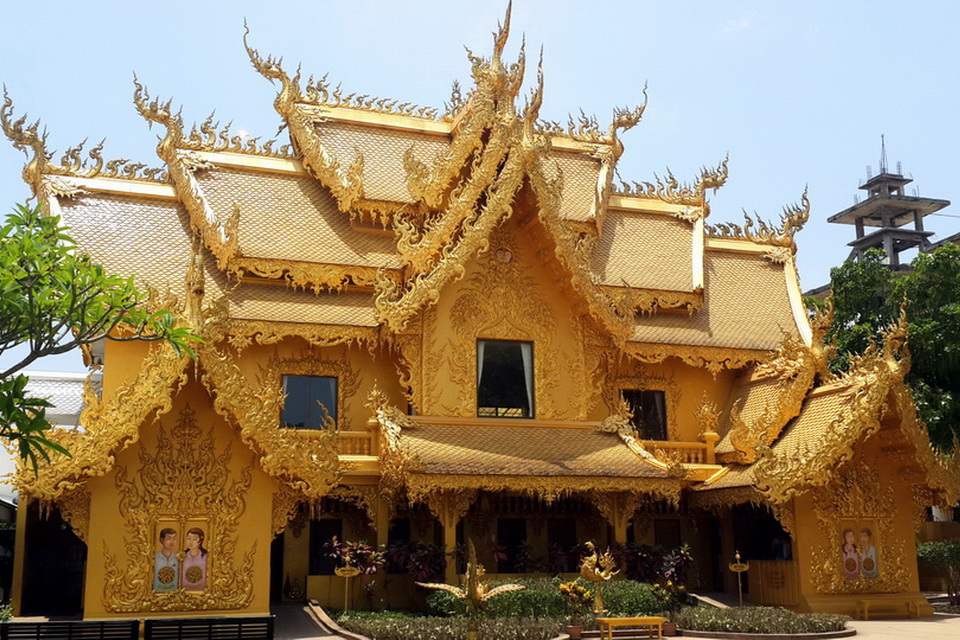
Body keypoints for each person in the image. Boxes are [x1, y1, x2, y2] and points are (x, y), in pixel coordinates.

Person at [154, 528, 179, 592]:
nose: (172, 542)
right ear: (161, 540)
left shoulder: (179, 558)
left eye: (174, 538)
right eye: (168, 539)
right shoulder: (154, 558)